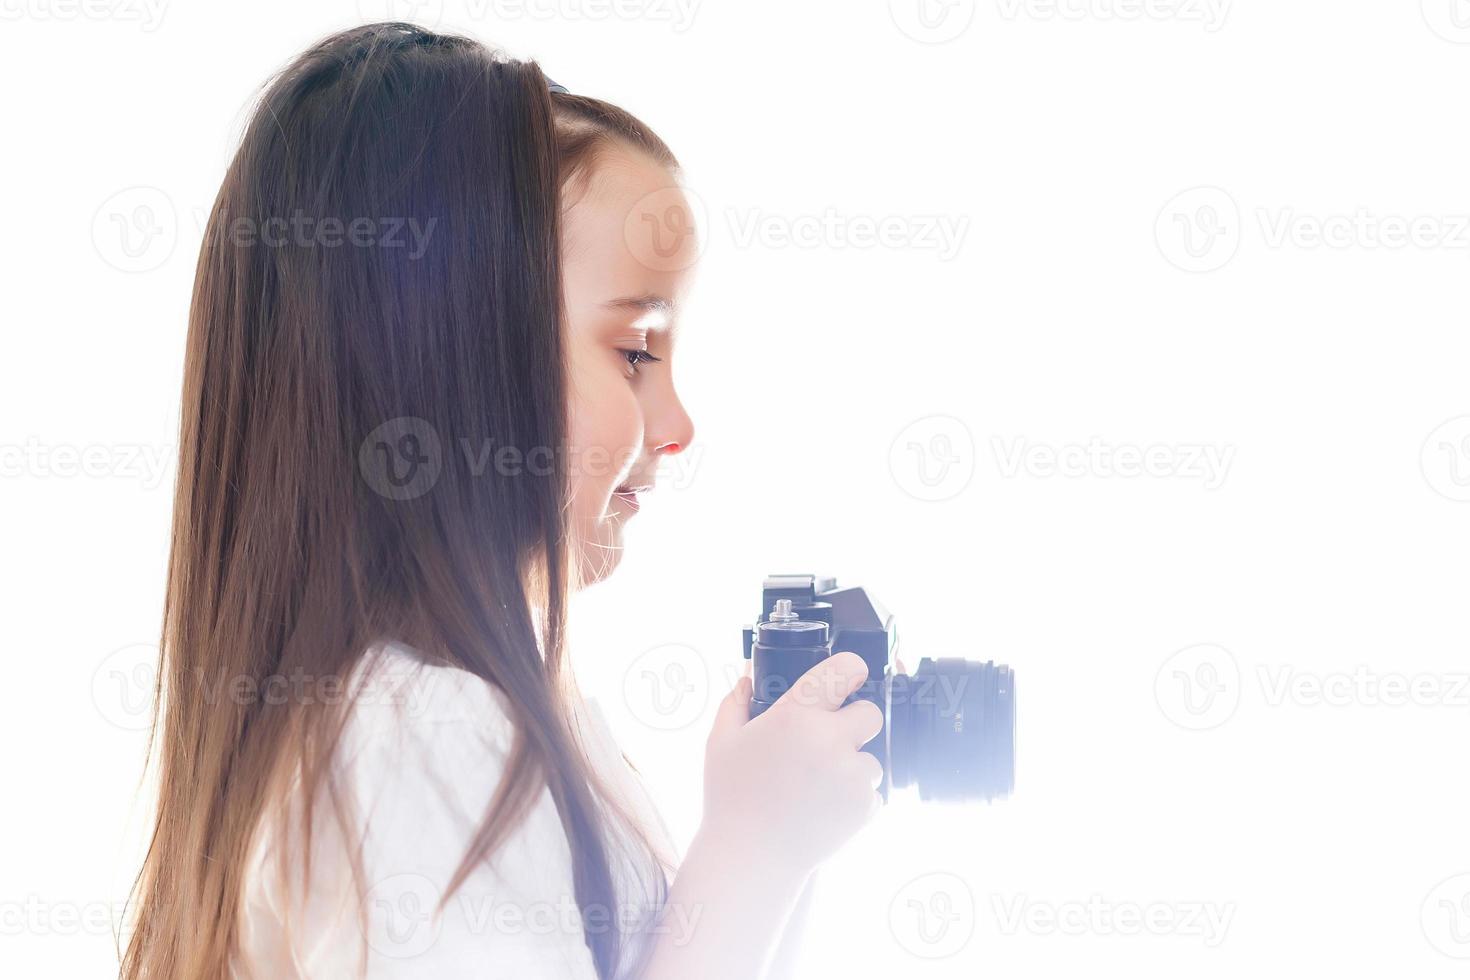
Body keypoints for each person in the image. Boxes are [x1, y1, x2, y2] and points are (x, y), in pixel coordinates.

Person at [120, 21, 884, 980]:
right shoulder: (422, 739)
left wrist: (778, 855)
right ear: (439, 357)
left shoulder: (442, 731)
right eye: (636, 353)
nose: (678, 422)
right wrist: (753, 851)